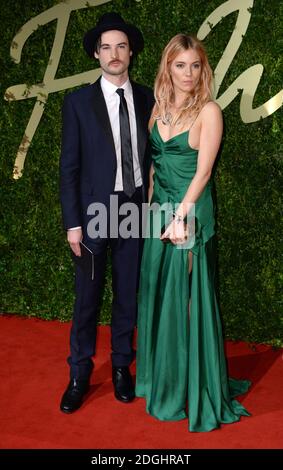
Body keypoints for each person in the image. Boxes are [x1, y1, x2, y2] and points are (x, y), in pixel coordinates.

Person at [135, 34, 251, 432]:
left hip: (190, 213)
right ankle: (162, 379)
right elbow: (154, 167)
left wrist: (180, 217)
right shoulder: (158, 107)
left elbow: (203, 172)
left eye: (195, 65)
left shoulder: (210, 111)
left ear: (204, 69)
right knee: (159, 295)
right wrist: (150, 213)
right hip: (159, 211)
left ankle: (191, 386)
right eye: (180, 65)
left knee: (185, 301)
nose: (187, 73)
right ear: (168, 66)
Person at [59, 12, 154, 413]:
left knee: (128, 295)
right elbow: (69, 167)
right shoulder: (78, 103)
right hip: (96, 211)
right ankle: (79, 373)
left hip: (134, 208)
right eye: (106, 47)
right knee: (88, 299)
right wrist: (73, 223)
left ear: (130, 52)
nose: (114, 54)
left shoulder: (150, 98)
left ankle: (120, 368)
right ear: (96, 54)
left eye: (121, 46)